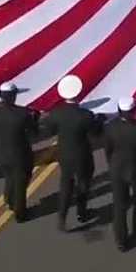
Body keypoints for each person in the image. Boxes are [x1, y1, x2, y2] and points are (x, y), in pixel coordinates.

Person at [44, 74, 100, 231]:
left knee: (66, 185)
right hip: (82, 154)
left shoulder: (56, 113)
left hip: (64, 153)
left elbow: (49, 130)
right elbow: (96, 133)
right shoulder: (86, 115)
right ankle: (81, 213)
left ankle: (62, 217)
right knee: (83, 184)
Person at [103, 96, 136, 252]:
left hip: (117, 168)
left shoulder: (110, 127)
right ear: (134, 110)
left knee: (119, 205)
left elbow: (108, 149)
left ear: (118, 111)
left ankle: (121, 241)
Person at [0, 81, 39, 221]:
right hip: (20, 155)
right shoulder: (23, 113)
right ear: (14, 96)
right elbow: (34, 133)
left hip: (1, 154)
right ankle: (20, 213)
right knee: (20, 183)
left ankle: (9, 201)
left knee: (9, 177)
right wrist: (35, 119)